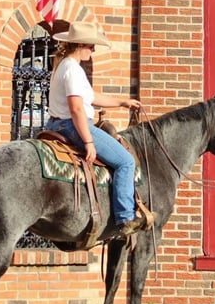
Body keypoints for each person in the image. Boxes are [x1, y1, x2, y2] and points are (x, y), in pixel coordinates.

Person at [45, 22, 151, 236]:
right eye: (92, 46)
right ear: (81, 44)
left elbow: (91, 98)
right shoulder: (72, 69)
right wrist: (88, 141)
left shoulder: (65, 66)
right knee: (126, 161)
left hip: (56, 123)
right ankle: (125, 218)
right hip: (72, 126)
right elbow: (76, 109)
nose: (93, 51)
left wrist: (122, 102)